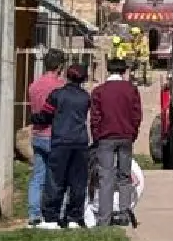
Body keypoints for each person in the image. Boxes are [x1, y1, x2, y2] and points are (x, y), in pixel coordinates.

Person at [90, 58, 144, 226]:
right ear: (124, 71)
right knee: (124, 177)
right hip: (126, 137)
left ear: (108, 70)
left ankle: (104, 218)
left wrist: (96, 136)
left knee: (106, 177)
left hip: (106, 138)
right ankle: (124, 214)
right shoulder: (131, 90)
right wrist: (132, 133)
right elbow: (137, 115)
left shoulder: (99, 91)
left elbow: (95, 117)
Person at [41, 62, 93, 229]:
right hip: (79, 142)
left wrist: (35, 119)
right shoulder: (85, 97)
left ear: (67, 76)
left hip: (60, 141)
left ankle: (51, 217)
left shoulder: (57, 95)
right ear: (84, 78)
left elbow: (45, 115)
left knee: (56, 179)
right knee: (78, 181)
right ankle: (74, 217)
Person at [25, 49, 67, 226]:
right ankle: (57, 211)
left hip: (38, 134)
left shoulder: (34, 85)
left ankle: (34, 214)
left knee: (38, 177)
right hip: (55, 135)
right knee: (58, 177)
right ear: (59, 67)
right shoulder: (61, 86)